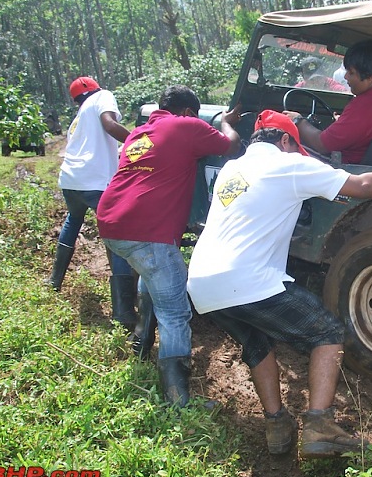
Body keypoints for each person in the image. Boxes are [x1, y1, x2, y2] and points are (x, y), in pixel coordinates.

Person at [187, 110, 372, 457]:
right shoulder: (289, 165)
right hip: (246, 279)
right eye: (296, 148)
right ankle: (319, 425)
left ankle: (277, 425)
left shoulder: (232, 169)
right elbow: (363, 187)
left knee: (257, 343)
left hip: (203, 281)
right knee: (327, 332)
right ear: (285, 141)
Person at [97, 85, 241, 407]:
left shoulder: (138, 134)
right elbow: (230, 147)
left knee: (153, 278)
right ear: (190, 112)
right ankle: (178, 402)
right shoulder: (187, 126)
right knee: (175, 312)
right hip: (146, 232)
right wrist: (228, 122)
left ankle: (140, 345)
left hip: (112, 223)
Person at [48, 76, 138, 331]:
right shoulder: (103, 96)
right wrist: (139, 142)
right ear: (94, 88)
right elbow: (110, 125)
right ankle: (123, 310)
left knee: (73, 220)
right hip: (95, 182)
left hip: (70, 180)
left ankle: (55, 280)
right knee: (116, 235)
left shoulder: (78, 117)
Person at [285, 40, 372, 164]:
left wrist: (298, 121)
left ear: (371, 77)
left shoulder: (364, 106)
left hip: (353, 169)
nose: (346, 77)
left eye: (351, 73)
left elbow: (321, 144)